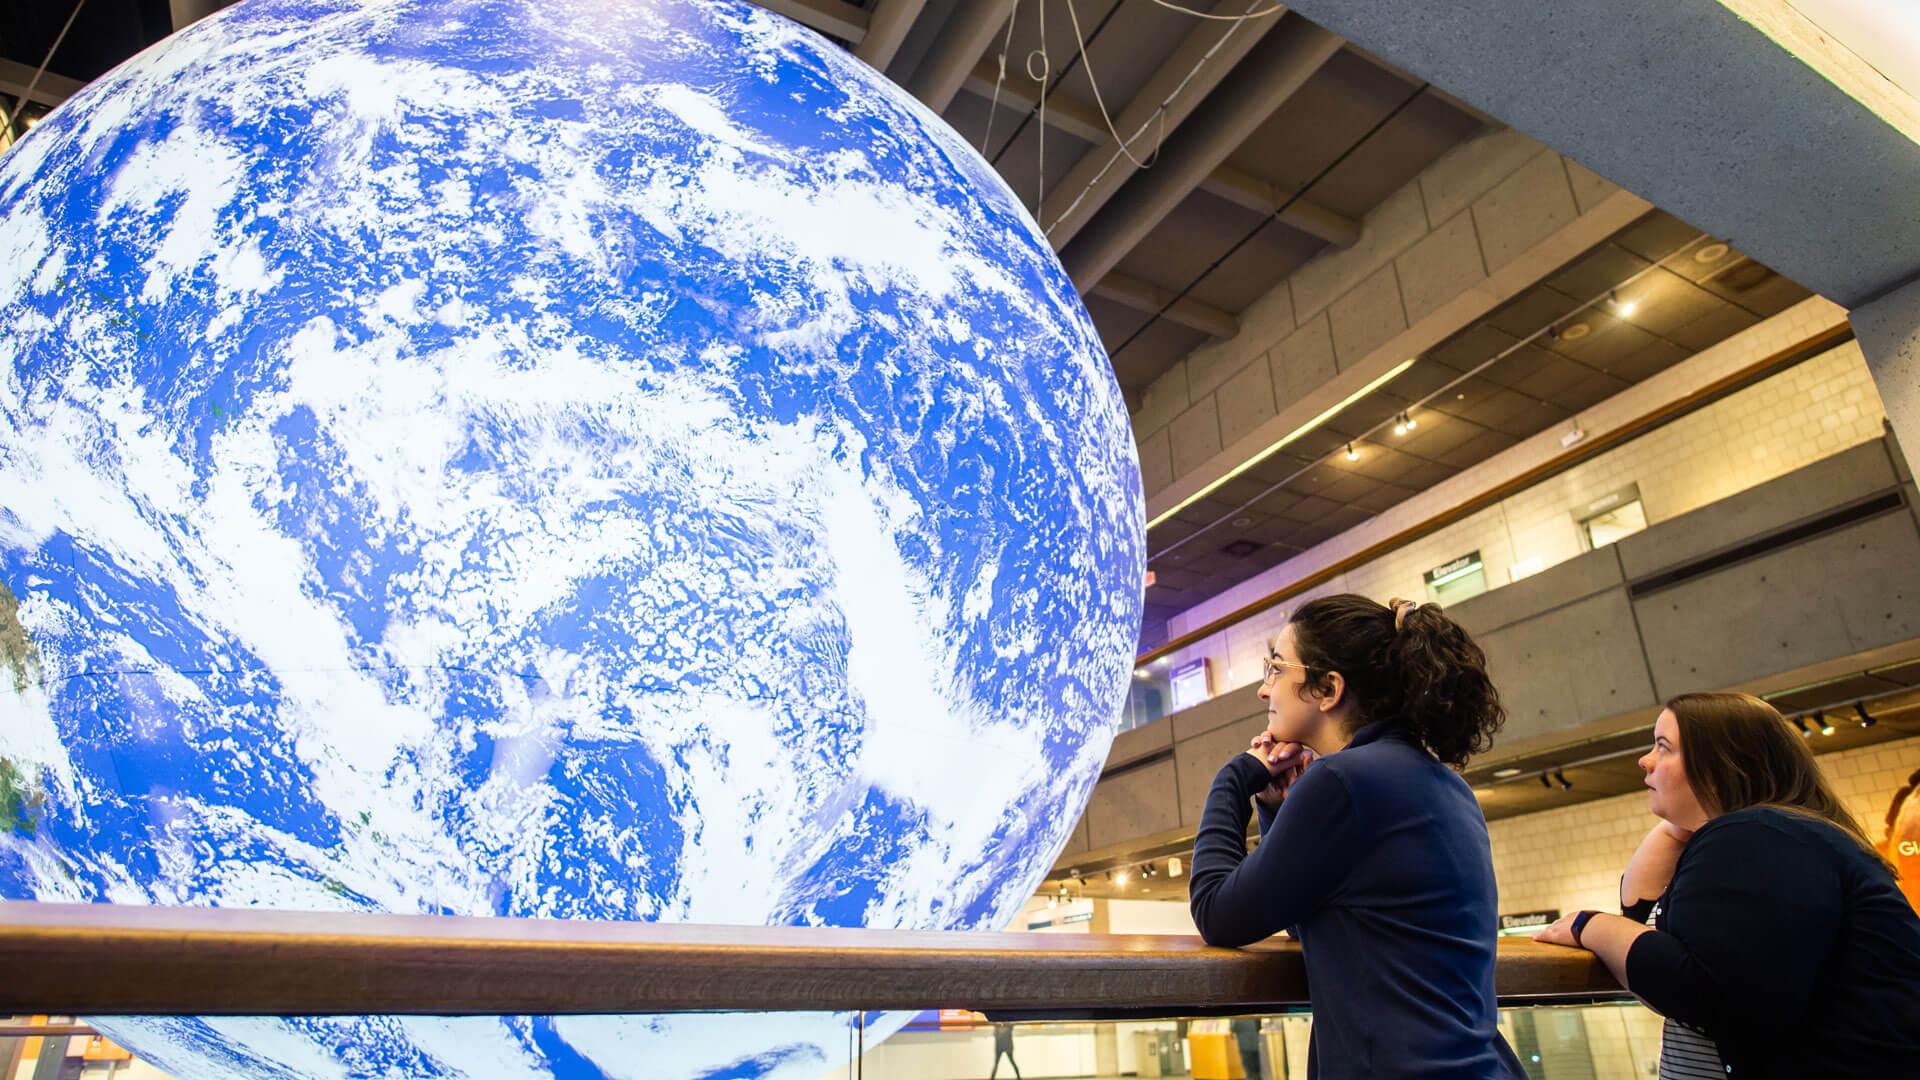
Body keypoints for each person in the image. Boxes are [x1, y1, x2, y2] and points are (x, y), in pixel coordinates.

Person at [1188, 594, 1524, 1079]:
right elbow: (1312, 918)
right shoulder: (1444, 784)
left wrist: (1235, 778)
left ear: (1328, 689)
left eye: (1275, 668)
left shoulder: (1343, 782)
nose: (1264, 691)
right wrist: (1276, 809)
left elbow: (1217, 913)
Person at [1534, 692, 1920, 1077]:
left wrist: (1590, 924)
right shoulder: (1769, 835)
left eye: (1663, 747)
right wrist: (1678, 825)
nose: (1645, 760)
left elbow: (1705, 989)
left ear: (1720, 763)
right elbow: (1642, 924)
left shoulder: (1759, 835)